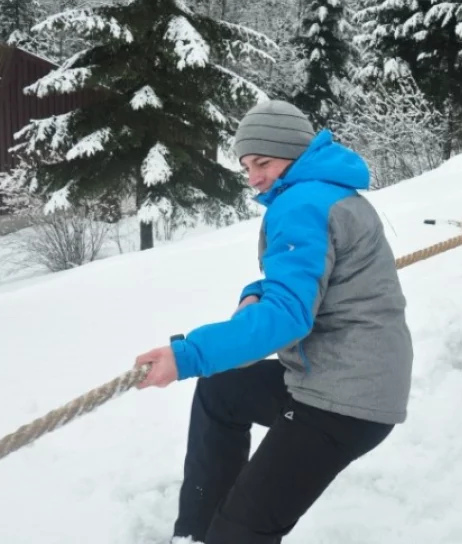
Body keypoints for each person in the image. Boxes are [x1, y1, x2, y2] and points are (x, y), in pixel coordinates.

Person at [133, 99, 414, 544]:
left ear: (296, 152)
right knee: (222, 390)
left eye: (262, 162)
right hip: (338, 373)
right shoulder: (329, 193)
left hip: (344, 400)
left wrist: (188, 355)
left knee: (242, 531)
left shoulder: (303, 203)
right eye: (247, 166)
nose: (254, 178)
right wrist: (258, 290)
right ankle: (195, 534)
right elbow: (313, 281)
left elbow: (288, 314)